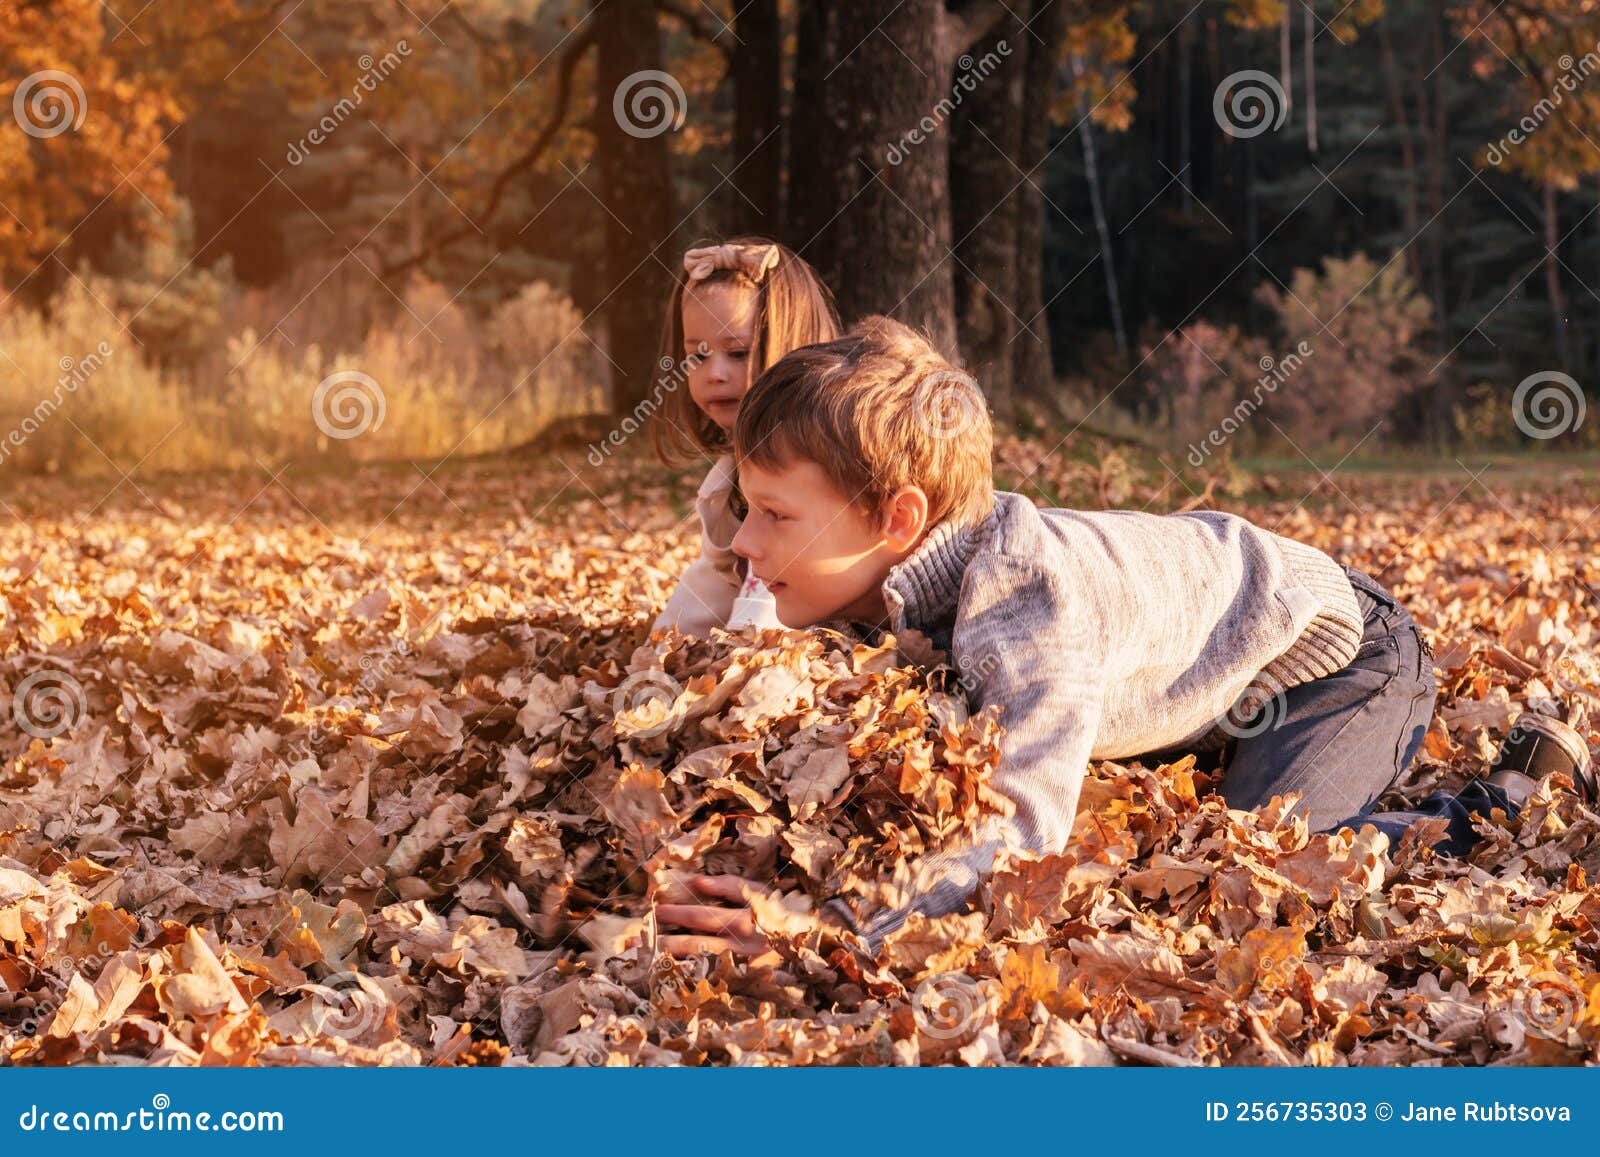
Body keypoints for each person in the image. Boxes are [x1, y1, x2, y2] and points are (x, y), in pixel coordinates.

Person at [655, 315, 1595, 959]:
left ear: (898, 520)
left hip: (1342, 651)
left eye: (774, 514)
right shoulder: (889, 574)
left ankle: (1508, 791)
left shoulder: (1028, 605)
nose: (742, 542)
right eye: (747, 508)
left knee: (1265, 864)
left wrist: (821, 922)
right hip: (1206, 661)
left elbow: (1019, 839)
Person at [648, 237, 841, 636]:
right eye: (697, 355)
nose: (714, 373)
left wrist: (742, 652)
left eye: (738, 353)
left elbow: (769, 591)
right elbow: (718, 573)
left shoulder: (810, 467)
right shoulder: (734, 471)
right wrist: (668, 640)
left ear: (793, 348)